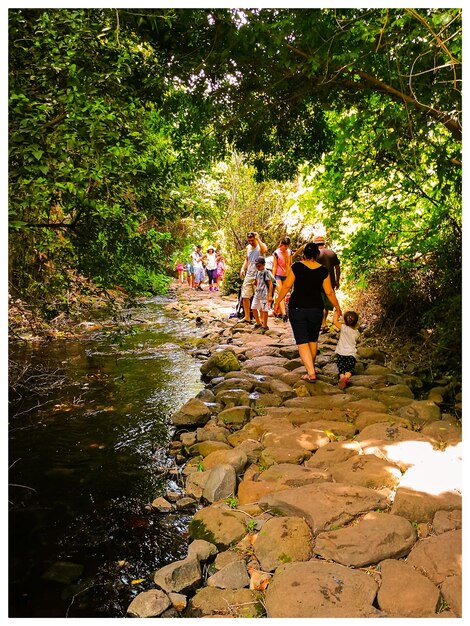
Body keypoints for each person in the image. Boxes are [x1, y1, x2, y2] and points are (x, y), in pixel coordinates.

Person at [274, 241, 342, 382]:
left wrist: (277, 302)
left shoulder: (296, 267)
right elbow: (329, 292)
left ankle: (311, 372)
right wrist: (338, 307)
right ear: (317, 255)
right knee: (312, 339)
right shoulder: (323, 270)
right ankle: (310, 370)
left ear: (304, 254)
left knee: (302, 341)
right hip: (316, 308)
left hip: (297, 308)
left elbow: (286, 286)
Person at [313, 235, 341, 332]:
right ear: (324, 243)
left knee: (319, 302)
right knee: (327, 304)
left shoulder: (315, 254)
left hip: (318, 282)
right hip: (331, 281)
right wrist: (337, 280)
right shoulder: (332, 253)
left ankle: (322, 323)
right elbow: (337, 268)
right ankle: (324, 322)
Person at [238, 231, 268, 323]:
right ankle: (247, 316)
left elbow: (264, 250)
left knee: (259, 296)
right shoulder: (248, 247)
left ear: (255, 238)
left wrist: (258, 238)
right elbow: (247, 259)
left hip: (259, 274)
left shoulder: (260, 246)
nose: (251, 242)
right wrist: (243, 268)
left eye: (252, 240)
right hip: (249, 274)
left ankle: (261, 318)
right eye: (249, 240)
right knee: (245, 295)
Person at [332, 309, 359, 389]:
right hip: (351, 354)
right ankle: (346, 378)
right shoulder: (356, 332)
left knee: (341, 369)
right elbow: (357, 341)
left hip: (341, 353)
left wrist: (336, 311)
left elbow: (335, 321)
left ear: (345, 321)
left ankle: (342, 378)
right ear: (356, 322)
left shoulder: (343, 328)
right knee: (349, 369)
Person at [272, 236, 292, 322]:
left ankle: (279, 312)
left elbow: (290, 264)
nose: (286, 248)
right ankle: (284, 314)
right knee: (281, 294)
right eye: (285, 246)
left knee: (285, 294)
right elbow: (275, 266)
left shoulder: (289, 252)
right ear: (281, 245)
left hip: (287, 275)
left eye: (287, 246)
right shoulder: (276, 253)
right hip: (278, 275)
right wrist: (272, 278)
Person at [251, 257, 274, 332]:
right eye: (256, 266)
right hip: (257, 293)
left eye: (259, 266)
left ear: (264, 265)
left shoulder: (266, 272)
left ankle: (265, 325)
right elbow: (257, 281)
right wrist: (254, 283)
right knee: (253, 307)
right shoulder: (257, 272)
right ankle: (258, 322)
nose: (257, 267)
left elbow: (270, 284)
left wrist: (270, 295)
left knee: (264, 310)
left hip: (264, 294)